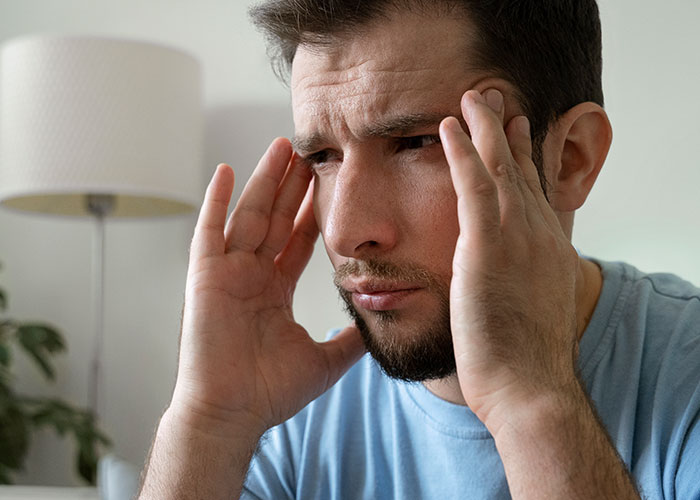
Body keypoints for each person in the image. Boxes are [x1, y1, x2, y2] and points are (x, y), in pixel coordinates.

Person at [138, 0, 700, 498]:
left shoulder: (685, 379)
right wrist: (208, 424)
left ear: (572, 157)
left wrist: (532, 400)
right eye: (323, 157)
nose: (342, 230)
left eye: (416, 143)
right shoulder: (283, 415)